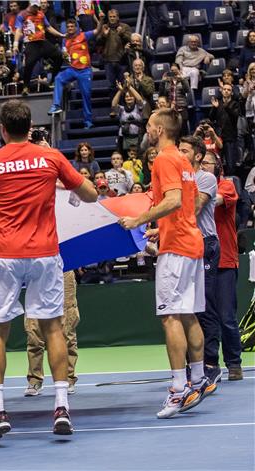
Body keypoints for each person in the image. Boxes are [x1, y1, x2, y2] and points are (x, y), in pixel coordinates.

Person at [0, 100, 98, 439]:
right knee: (53, 329)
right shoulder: (51, 158)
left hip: (5, 256)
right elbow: (91, 195)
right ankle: (61, 407)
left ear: (2, 129)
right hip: (45, 255)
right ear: (30, 127)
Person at [118, 108, 213, 419]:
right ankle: (198, 380)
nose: (146, 129)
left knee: (170, 317)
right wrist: (166, 225)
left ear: (159, 130)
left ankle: (178, 388)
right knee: (187, 314)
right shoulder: (184, 161)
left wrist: (138, 220)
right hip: (191, 242)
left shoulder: (163, 159)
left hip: (177, 250)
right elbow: (193, 200)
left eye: (149, 125)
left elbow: (172, 200)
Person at [178, 137, 222, 391]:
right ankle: (193, 365)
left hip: (206, 244)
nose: (180, 154)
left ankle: (211, 364)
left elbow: (193, 209)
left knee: (205, 304)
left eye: (184, 151)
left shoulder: (206, 178)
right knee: (187, 308)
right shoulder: (180, 178)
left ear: (197, 156)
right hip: (185, 245)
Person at [212, 156, 245, 381]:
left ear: (217, 167)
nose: (203, 166)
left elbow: (213, 200)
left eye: (207, 163)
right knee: (205, 318)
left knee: (226, 317)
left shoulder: (226, 184)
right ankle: (209, 365)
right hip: (199, 260)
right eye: (200, 162)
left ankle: (234, 363)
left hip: (225, 260)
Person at [24, 270, 80, 396]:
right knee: (33, 330)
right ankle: (34, 380)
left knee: (67, 328)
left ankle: (68, 378)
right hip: (36, 269)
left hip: (64, 269)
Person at [49, 18, 102, 128]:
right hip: (72, 69)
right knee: (58, 78)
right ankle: (56, 105)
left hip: (85, 71)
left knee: (86, 96)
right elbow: (64, 53)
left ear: (76, 27)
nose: (70, 28)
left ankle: (88, 121)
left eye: (72, 26)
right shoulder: (65, 40)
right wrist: (65, 56)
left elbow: (97, 31)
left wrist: (100, 20)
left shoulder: (84, 35)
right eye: (68, 27)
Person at [12, 0, 65, 95]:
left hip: (42, 42)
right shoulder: (22, 15)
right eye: (34, 6)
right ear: (30, 5)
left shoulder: (41, 14)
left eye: (37, 6)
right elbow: (18, 30)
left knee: (59, 56)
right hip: (31, 43)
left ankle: (52, 80)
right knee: (28, 65)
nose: (36, 8)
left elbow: (48, 27)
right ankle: (26, 87)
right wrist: (15, 44)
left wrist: (60, 35)